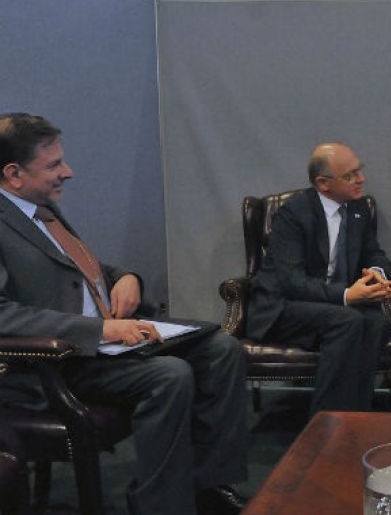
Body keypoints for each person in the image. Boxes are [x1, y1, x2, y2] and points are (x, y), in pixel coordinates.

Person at [0, 113, 248, 515]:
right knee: (170, 374)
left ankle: (207, 485)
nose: (69, 171)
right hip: (54, 363)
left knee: (222, 348)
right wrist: (99, 329)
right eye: (54, 165)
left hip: (101, 348)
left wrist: (127, 277)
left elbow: (79, 270)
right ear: (13, 173)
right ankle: (159, 505)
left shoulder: (40, 207)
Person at [247, 142, 391, 415]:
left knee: (374, 322)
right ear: (323, 183)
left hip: (328, 305)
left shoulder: (357, 210)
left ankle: (356, 416)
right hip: (284, 306)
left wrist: (378, 276)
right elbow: (291, 281)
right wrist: (346, 296)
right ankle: (326, 422)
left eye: (359, 171)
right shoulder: (293, 214)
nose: (361, 179)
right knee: (348, 319)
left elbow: (374, 254)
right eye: (350, 175)